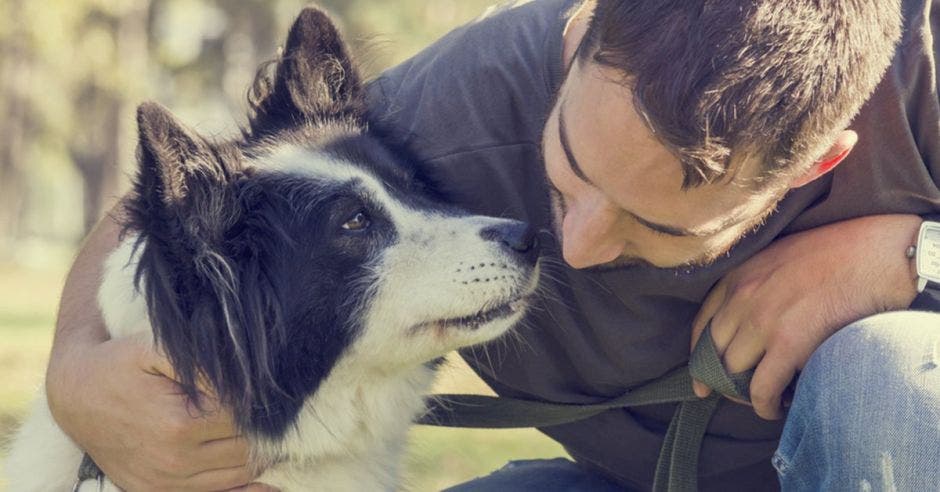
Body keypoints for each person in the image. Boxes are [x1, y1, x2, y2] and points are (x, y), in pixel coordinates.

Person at [46, 0, 940, 490]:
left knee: (884, 373)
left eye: (655, 226)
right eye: (567, 176)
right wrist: (75, 374)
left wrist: (907, 255)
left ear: (813, 163)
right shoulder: (460, 104)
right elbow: (194, 200)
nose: (577, 247)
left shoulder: (921, 71)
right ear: (585, 29)